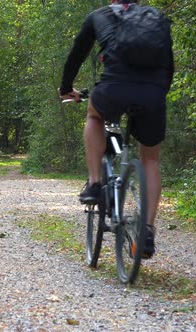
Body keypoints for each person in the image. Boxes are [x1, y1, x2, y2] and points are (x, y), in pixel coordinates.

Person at [59, 0, 174, 258]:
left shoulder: (98, 16)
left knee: (94, 115)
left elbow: (76, 54)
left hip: (114, 88)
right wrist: (157, 96)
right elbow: (169, 64)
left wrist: (66, 88)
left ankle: (95, 184)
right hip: (153, 93)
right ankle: (146, 232)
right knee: (151, 159)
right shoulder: (155, 18)